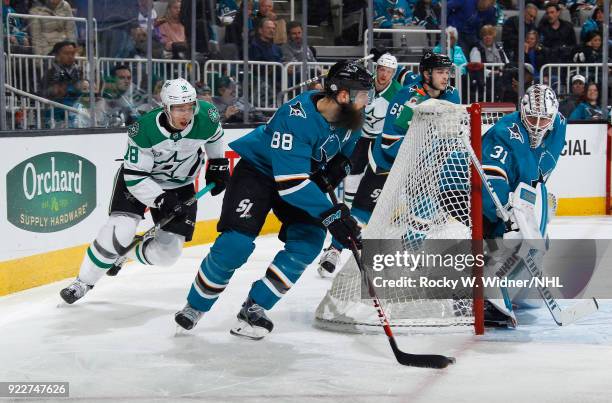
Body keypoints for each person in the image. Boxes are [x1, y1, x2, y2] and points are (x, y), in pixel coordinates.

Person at [174, 61, 373, 338]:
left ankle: (254, 308)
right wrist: (331, 214)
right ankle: (195, 306)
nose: (366, 101)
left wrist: (341, 166)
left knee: (308, 242)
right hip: (260, 172)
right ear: (342, 95)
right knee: (235, 244)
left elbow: (348, 151)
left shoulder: (352, 118)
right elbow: (290, 185)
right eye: (363, 95)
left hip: (303, 177)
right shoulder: (298, 116)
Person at [59, 78, 229, 304]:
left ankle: (123, 252)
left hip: (180, 185)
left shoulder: (206, 115)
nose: (186, 114)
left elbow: (215, 136)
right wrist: (161, 199)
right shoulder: (144, 130)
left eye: (189, 107)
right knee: (119, 232)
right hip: (140, 182)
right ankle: (83, 281)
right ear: (166, 107)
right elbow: (136, 177)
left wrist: (218, 163)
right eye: (179, 108)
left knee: (168, 255)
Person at [318, 51, 461, 275]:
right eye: (440, 72)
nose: (446, 77)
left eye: (447, 72)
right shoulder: (409, 97)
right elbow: (389, 142)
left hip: (422, 164)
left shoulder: (452, 95)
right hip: (387, 162)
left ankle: (410, 256)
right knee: (362, 213)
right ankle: (334, 250)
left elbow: (450, 133)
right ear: (426, 73)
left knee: (423, 213)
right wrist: (419, 158)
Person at [481, 84, 566, 325]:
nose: (538, 125)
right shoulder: (504, 133)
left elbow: (538, 169)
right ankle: (484, 297)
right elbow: (490, 183)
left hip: (515, 196)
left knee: (538, 242)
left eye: (544, 119)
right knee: (515, 243)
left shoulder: (559, 125)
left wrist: (537, 201)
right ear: (521, 111)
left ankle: (504, 289)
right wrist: (507, 215)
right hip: (476, 196)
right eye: (532, 117)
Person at [344, 53, 401, 207]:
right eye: (382, 70)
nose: (384, 74)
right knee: (352, 173)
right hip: (361, 136)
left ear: (393, 73)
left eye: (389, 71)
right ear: (377, 69)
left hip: (382, 140)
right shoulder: (365, 84)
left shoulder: (397, 92)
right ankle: (348, 209)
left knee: (382, 176)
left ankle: (385, 209)